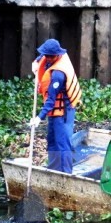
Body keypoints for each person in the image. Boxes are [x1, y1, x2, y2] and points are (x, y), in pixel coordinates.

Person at [29, 38, 82, 174]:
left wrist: (39, 118)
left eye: (49, 56)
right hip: (54, 110)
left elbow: (51, 100)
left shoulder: (58, 75)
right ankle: (53, 170)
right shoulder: (50, 56)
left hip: (64, 110)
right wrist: (36, 62)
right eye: (45, 55)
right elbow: (42, 55)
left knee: (63, 144)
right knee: (52, 140)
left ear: (56, 56)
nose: (47, 58)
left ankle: (65, 174)